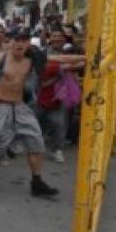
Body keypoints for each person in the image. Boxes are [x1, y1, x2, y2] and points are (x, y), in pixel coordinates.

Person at [0, 28, 84, 198]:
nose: (20, 44)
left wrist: (88, 57)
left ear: (28, 44)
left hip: (20, 107)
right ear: (10, 43)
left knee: (36, 142)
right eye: (16, 40)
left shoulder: (32, 59)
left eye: (24, 40)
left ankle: (37, 182)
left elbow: (60, 59)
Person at [36, 29, 84, 163]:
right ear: (50, 38)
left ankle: (57, 150)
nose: (57, 38)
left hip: (61, 95)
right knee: (37, 122)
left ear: (64, 39)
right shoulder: (43, 52)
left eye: (59, 36)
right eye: (54, 35)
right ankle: (31, 145)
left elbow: (77, 66)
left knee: (59, 124)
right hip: (42, 92)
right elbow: (42, 70)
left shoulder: (69, 52)